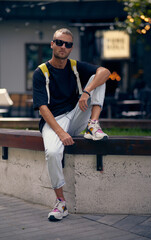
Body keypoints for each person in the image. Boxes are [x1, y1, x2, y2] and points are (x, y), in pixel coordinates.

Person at [33, 28, 111, 221]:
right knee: (52, 153)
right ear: (52, 44)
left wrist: (86, 92)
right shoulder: (41, 72)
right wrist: (60, 133)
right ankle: (61, 203)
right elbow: (42, 108)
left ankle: (93, 124)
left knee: (98, 76)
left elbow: (106, 71)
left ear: (71, 48)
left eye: (67, 44)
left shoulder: (76, 66)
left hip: (77, 114)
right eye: (59, 42)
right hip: (54, 119)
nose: (63, 47)